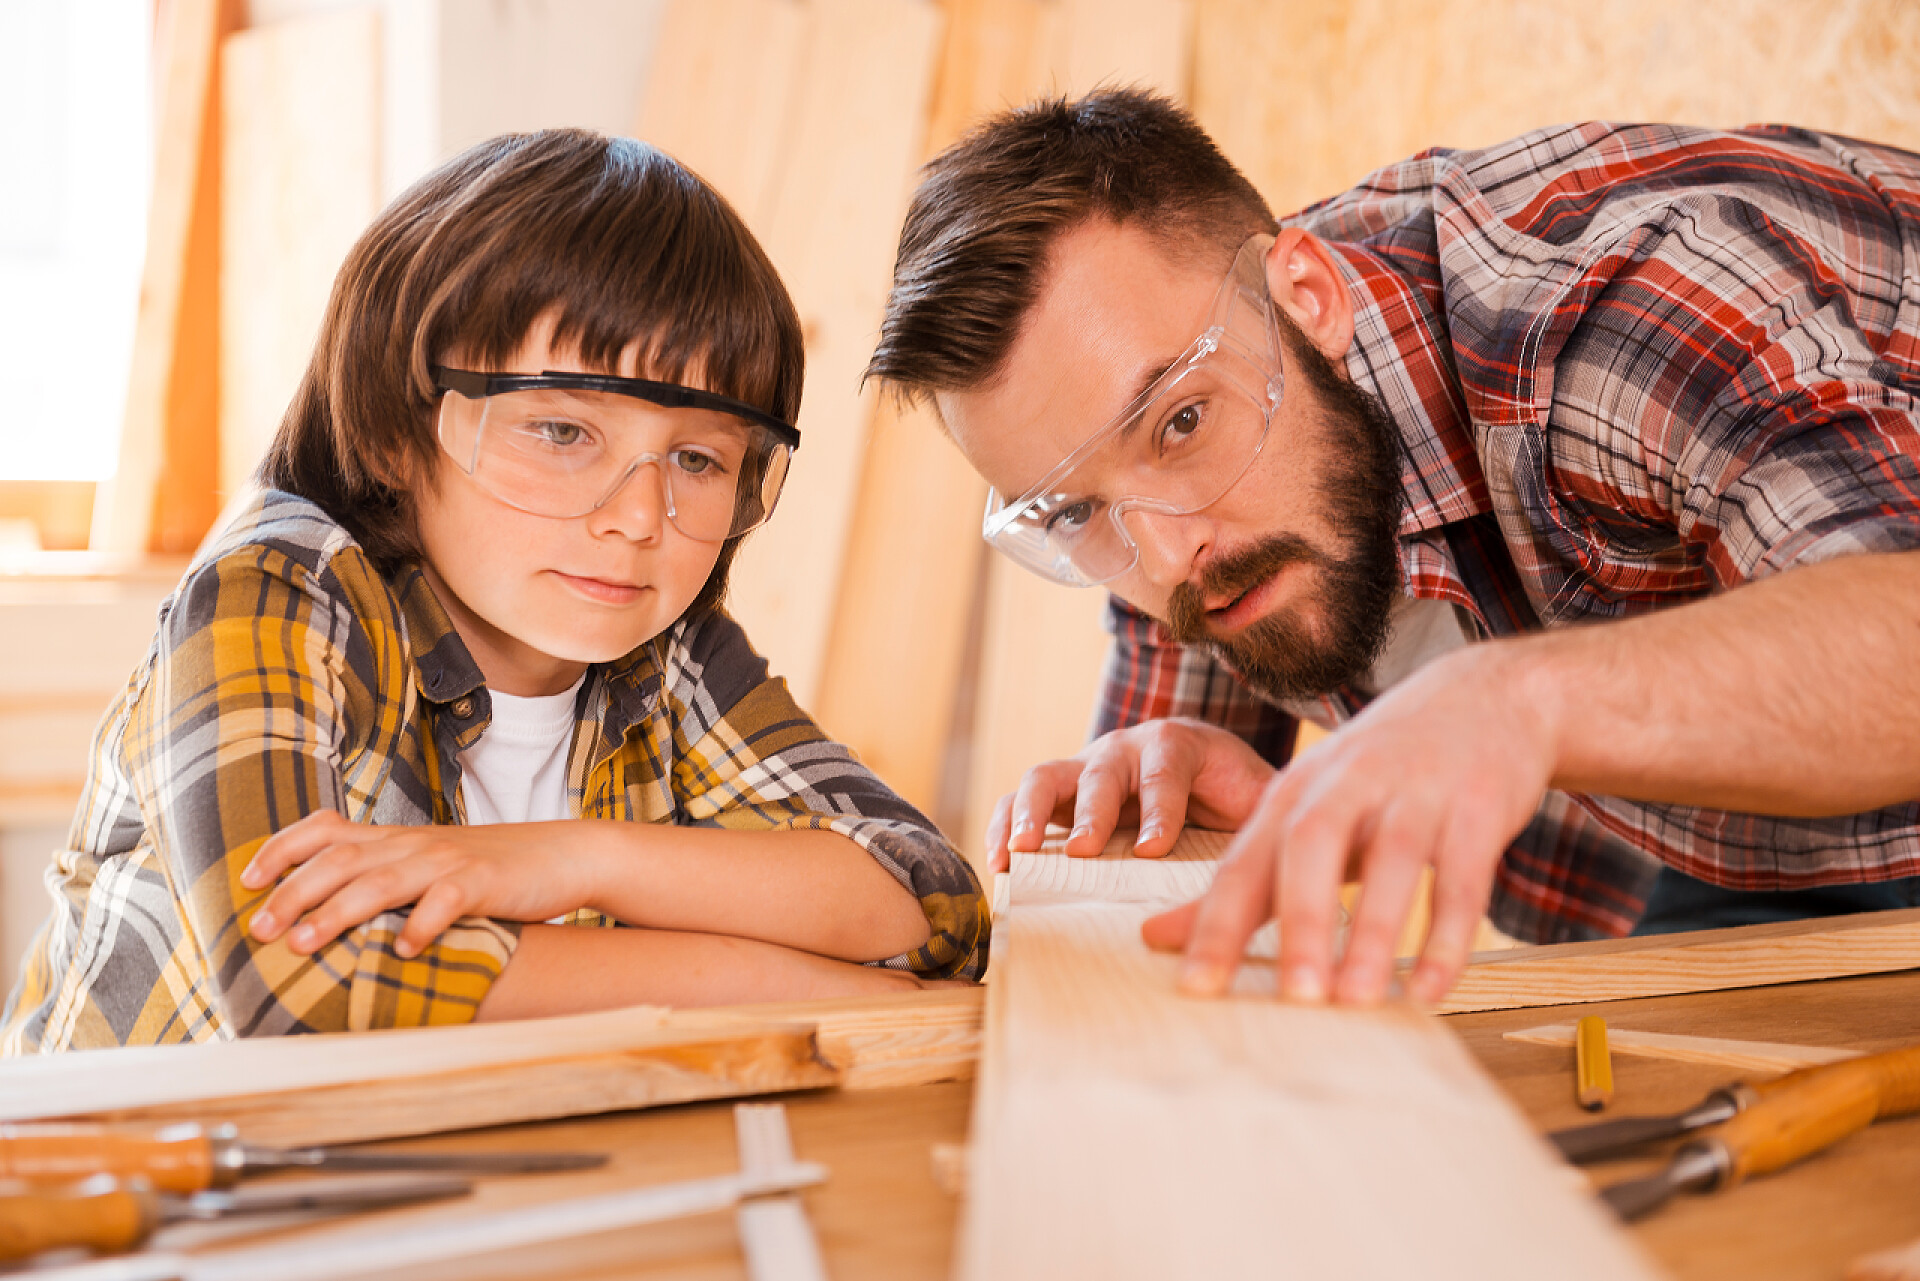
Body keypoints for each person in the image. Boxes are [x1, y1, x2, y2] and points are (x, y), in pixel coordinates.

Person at [863, 89, 1920, 1009]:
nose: (1169, 556)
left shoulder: (1601, 312)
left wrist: (1523, 703)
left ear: (1307, 299)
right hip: (1747, 843)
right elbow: (1160, 916)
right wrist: (1203, 825)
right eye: (1074, 511)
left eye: (1179, 425)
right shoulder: (1173, 498)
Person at [3, 129, 987, 1054]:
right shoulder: (271, 597)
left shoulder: (669, 652)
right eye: (563, 433)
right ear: (396, 430)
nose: (641, 518)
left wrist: (569, 858)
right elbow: (306, 988)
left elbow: (926, 901)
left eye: (696, 458)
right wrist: (806, 989)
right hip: (124, 1206)